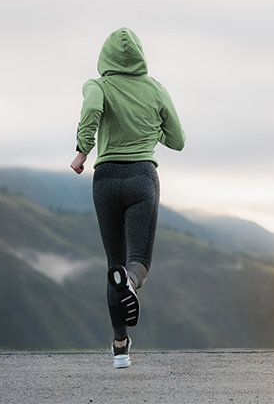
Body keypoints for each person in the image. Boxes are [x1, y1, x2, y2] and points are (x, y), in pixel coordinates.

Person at [70, 28, 185, 368]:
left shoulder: (98, 86)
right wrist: (151, 128)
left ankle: (121, 346)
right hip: (141, 178)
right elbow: (177, 140)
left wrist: (81, 151)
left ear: (105, 57)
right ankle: (131, 283)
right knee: (137, 262)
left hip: (105, 181)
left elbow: (91, 110)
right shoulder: (155, 88)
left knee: (113, 263)